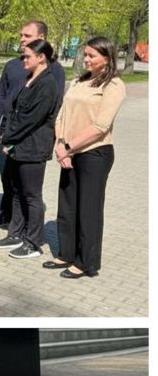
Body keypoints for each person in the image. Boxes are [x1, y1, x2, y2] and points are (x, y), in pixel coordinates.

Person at [46, 36, 126, 278]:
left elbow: (101, 126)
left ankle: (86, 262)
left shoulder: (113, 86)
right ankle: (66, 253)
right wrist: (61, 144)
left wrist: (69, 146)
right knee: (68, 206)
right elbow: (61, 115)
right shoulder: (78, 82)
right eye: (86, 54)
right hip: (68, 151)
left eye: (92, 55)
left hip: (94, 153)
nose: (87, 59)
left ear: (107, 58)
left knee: (88, 209)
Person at [0, 20, 67, 229]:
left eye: (27, 36)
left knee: (26, 184)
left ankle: (27, 226)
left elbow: (53, 104)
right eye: (21, 35)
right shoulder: (13, 65)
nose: (22, 39)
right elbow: (1, 95)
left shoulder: (54, 70)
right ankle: (8, 213)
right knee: (7, 175)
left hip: (31, 135)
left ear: (41, 39)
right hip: (7, 129)